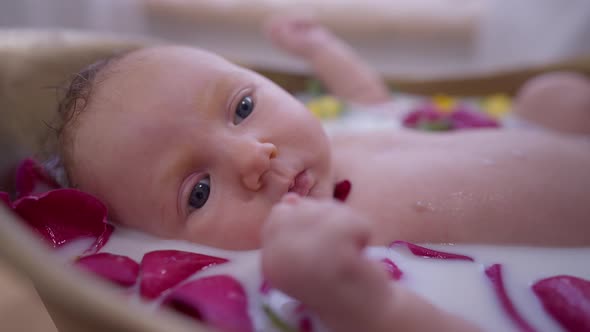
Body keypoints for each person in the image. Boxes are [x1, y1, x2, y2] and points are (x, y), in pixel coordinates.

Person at [47, 15, 590, 332]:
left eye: (241, 108)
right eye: (200, 191)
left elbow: (377, 102)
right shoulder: (322, 263)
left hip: (561, 148)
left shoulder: (344, 129)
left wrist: (321, 50)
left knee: (551, 97)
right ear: (149, 238)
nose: (253, 157)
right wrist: (367, 304)